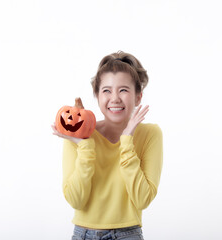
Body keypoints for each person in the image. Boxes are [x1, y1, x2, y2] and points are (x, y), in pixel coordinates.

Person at [52, 51, 163, 240]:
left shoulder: (150, 134)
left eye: (124, 90)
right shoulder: (76, 133)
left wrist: (127, 140)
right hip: (84, 234)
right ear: (96, 95)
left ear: (138, 97)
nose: (115, 98)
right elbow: (75, 200)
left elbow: (142, 199)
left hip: (129, 234)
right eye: (106, 90)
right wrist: (85, 147)